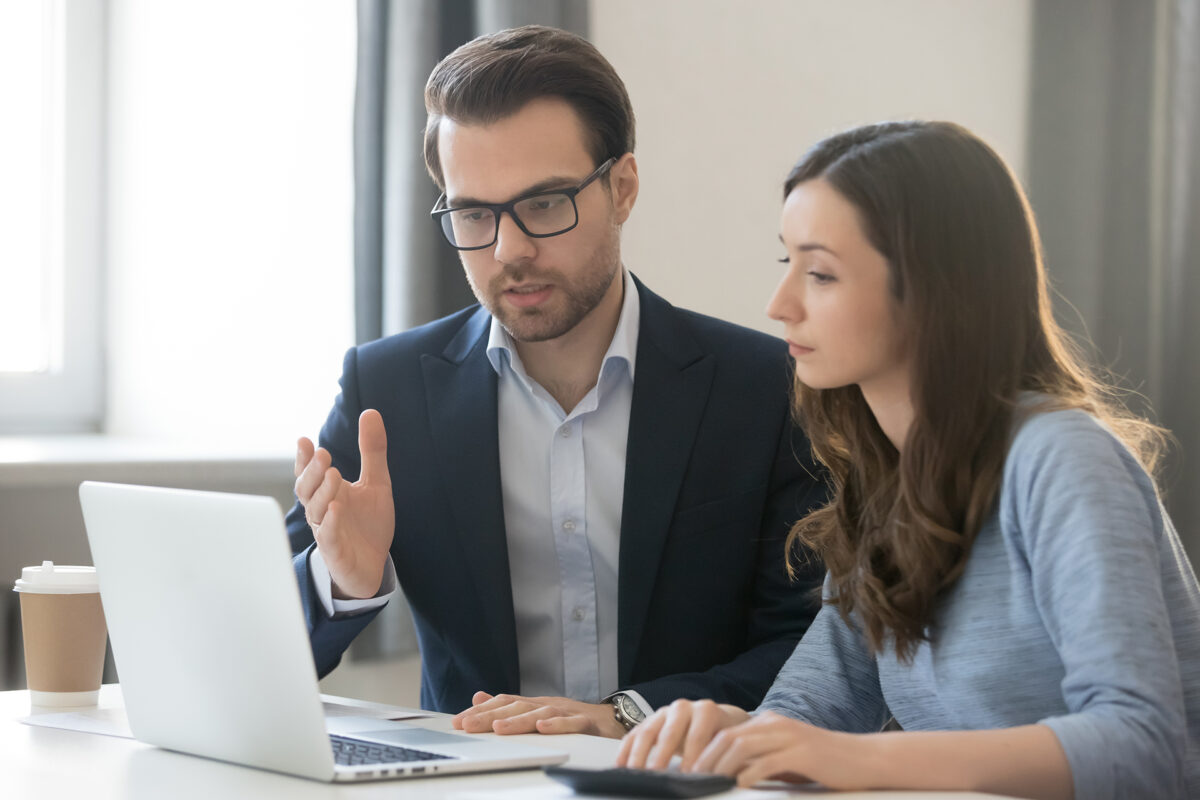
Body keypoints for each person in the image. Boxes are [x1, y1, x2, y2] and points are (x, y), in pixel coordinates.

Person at [617, 121, 1200, 798]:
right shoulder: (887, 484)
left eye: (822, 274)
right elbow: (809, 714)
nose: (780, 306)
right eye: (788, 265)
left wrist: (855, 759)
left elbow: (1142, 744)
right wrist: (731, 736)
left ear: (931, 290)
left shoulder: (1063, 460)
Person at [286, 25, 827, 740]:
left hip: (686, 780)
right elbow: (260, 645)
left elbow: (812, 649)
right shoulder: (385, 393)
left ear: (623, 188)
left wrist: (625, 715)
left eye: (544, 204)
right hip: (472, 788)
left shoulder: (765, 389)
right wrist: (342, 581)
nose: (510, 250)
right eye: (475, 213)